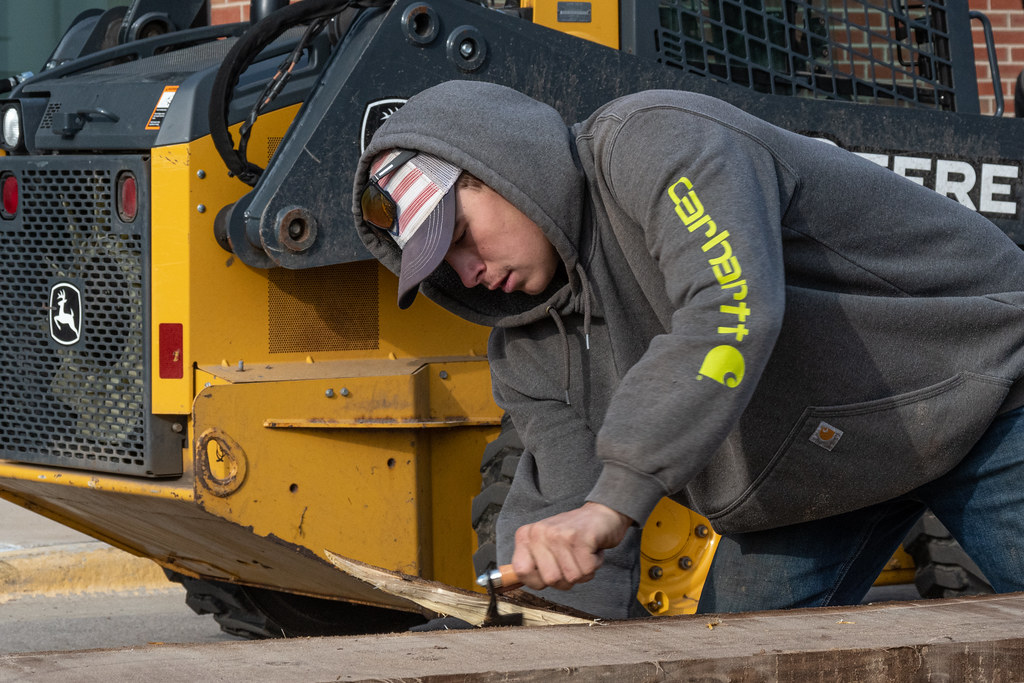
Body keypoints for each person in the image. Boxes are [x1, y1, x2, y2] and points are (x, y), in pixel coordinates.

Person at [351, 80, 1024, 620]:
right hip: (823, 471)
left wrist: (616, 499)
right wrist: (537, 620)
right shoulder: (526, 348)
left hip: (985, 386)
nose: (467, 271)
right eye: (444, 266)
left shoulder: (653, 139)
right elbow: (568, 497)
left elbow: (729, 310)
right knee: (727, 666)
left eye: (462, 236)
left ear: (498, 164)